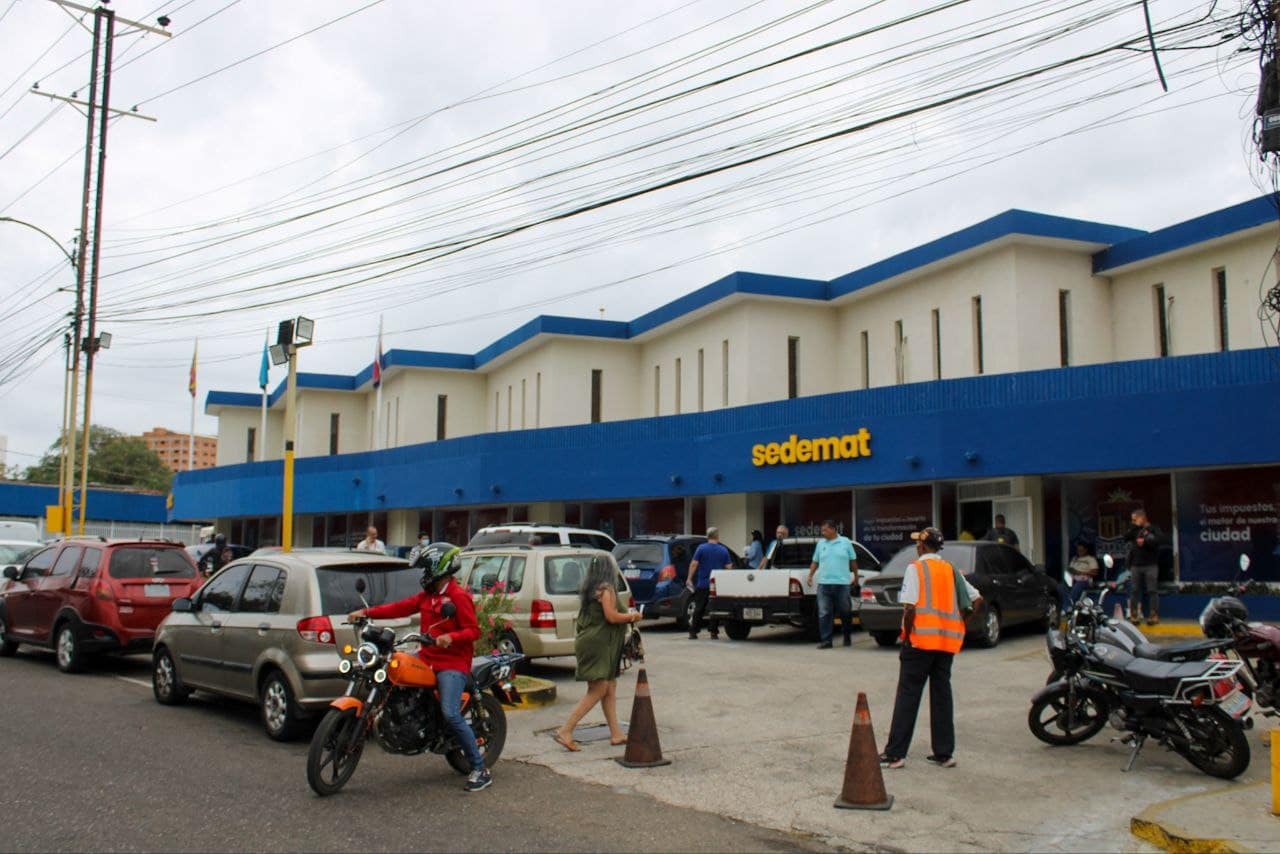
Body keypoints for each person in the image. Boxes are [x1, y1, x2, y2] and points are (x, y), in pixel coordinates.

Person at [346, 543, 493, 792]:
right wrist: (366, 612)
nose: (423, 574)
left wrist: (451, 637)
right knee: (394, 671)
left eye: (426, 569)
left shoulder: (458, 597)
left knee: (450, 713)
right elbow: (400, 607)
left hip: (452, 663)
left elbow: (473, 631)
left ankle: (480, 769)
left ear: (439, 568)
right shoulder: (428, 595)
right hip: (426, 657)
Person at [880, 527, 980, 770]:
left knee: (908, 696)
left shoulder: (916, 568)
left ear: (923, 546)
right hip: (946, 643)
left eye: (918, 543)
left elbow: (910, 607)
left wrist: (907, 636)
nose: (917, 546)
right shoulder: (950, 569)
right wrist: (961, 624)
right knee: (942, 696)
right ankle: (944, 754)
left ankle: (895, 754)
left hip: (920, 643)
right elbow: (976, 599)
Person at [552, 556, 643, 751]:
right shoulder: (606, 589)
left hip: (593, 642)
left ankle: (616, 733)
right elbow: (611, 617)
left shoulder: (591, 589)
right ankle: (566, 730)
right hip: (599, 644)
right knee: (599, 688)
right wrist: (633, 616)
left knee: (610, 686)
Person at [807, 520, 859, 649]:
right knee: (824, 612)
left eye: (825, 530)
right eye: (822, 530)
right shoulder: (820, 544)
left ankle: (847, 635)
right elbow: (815, 561)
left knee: (845, 611)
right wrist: (810, 575)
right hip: (824, 584)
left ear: (833, 529)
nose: (823, 533)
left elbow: (853, 561)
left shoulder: (845, 542)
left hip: (842, 584)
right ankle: (826, 640)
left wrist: (856, 576)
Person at [685, 527, 733, 639]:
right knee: (714, 608)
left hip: (703, 584)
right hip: (716, 585)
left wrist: (689, 578)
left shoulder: (701, 548)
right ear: (717, 536)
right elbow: (729, 567)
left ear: (708, 536)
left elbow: (694, 564)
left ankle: (693, 632)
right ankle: (713, 632)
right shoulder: (723, 550)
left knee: (699, 608)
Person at [1125, 508, 1164, 625]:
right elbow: (1125, 537)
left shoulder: (1153, 528)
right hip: (1136, 565)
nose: (1133, 522)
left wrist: (1146, 541)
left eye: (1135, 519)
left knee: (1152, 590)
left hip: (1150, 565)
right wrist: (1135, 526)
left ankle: (1153, 615)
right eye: (1132, 520)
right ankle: (1134, 615)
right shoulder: (1134, 530)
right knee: (1134, 590)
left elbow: (1159, 540)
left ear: (1142, 518)